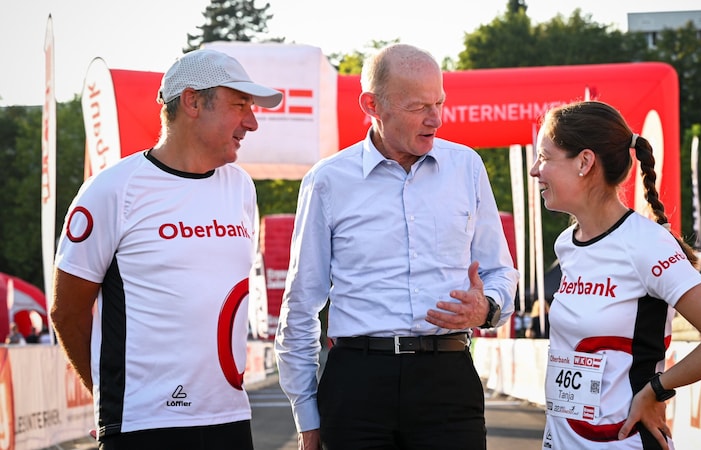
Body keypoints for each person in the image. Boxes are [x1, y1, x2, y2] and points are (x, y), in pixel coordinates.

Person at [275, 43, 519, 450]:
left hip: (448, 381)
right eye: (418, 106)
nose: (436, 119)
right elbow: (301, 305)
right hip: (357, 388)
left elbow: (500, 271)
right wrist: (306, 416)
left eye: (439, 102)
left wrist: (488, 307)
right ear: (373, 105)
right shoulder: (327, 181)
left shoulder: (467, 168)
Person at [50, 48, 282, 450]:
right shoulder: (112, 190)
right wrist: (112, 403)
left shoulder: (241, 187)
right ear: (192, 101)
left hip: (231, 419)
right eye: (240, 105)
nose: (252, 122)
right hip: (145, 427)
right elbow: (66, 310)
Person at [530, 100, 701, 449]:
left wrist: (656, 390)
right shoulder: (566, 245)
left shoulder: (647, 243)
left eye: (544, 157)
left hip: (624, 442)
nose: (534, 170)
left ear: (585, 162)